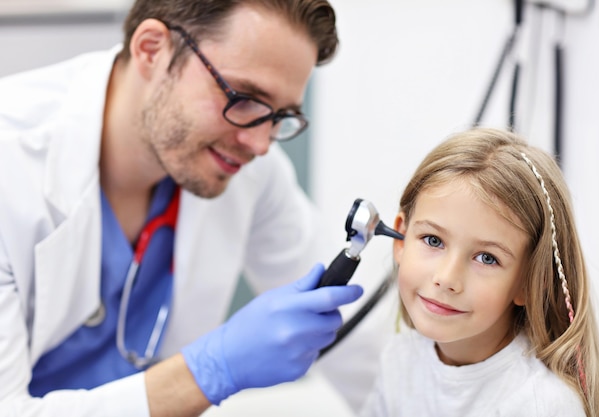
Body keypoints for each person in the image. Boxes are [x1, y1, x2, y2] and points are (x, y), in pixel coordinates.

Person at [0, 1, 379, 416]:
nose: (259, 145)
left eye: (281, 116)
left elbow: (352, 340)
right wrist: (209, 371)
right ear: (151, 49)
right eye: (245, 96)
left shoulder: (250, 170)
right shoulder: (12, 161)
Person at [360, 127, 599, 417]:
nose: (447, 278)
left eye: (486, 258)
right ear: (401, 238)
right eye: (433, 240)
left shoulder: (542, 406)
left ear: (529, 282)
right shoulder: (399, 361)